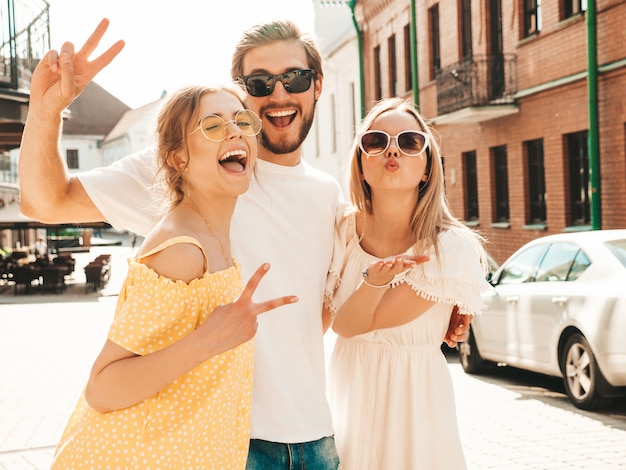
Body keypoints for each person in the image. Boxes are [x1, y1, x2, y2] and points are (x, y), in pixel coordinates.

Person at [18, 19, 470, 469]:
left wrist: (444, 302)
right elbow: (45, 202)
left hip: (317, 441)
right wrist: (46, 110)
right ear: (242, 91)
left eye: (294, 77)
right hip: (227, 444)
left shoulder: (327, 196)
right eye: (259, 82)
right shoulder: (195, 169)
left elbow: (333, 304)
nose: (278, 94)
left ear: (316, 85)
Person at [48, 82, 299, 468]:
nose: (235, 132)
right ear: (179, 157)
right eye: (213, 126)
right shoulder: (182, 249)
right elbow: (102, 388)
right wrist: (208, 341)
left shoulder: (212, 234)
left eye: (242, 121)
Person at [324, 98, 492, 469]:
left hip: (414, 410)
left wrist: (372, 284)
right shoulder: (340, 231)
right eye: (376, 141)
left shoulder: (449, 248)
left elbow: (348, 324)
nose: (392, 150)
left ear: (428, 167)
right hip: (347, 403)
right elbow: (317, 319)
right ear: (361, 163)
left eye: (410, 142)